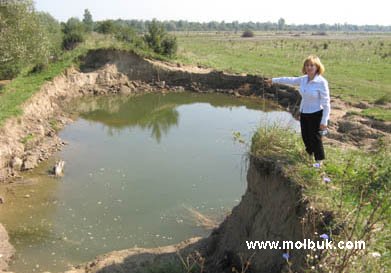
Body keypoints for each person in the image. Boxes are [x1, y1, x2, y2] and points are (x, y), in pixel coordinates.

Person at [265, 55, 331, 166]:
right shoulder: (303, 79)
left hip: (316, 114)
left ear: (317, 67)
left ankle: (319, 163)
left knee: (316, 139)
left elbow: (326, 103)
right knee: (305, 137)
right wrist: (273, 80)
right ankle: (309, 157)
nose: (309, 68)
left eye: (312, 65)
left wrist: (324, 121)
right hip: (304, 112)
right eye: (307, 65)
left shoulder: (321, 82)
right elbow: (289, 80)